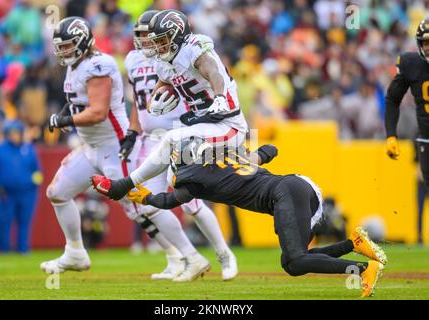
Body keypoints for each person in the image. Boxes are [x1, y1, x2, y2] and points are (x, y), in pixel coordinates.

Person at [92, 137, 387, 298]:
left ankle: (363, 270)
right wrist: (255, 154)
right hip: (296, 185)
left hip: (284, 193)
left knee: (296, 260)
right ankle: (353, 243)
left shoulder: (192, 176)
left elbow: (170, 200)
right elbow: (271, 150)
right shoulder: (228, 157)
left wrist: (143, 196)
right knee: (292, 263)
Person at [41, 16, 212, 282]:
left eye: (68, 45)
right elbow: (77, 101)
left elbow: (98, 111)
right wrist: (66, 112)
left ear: (83, 41)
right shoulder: (75, 66)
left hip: (115, 147)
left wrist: (63, 120)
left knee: (145, 207)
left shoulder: (98, 65)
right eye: (60, 46)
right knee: (58, 193)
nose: (63, 51)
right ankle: (75, 251)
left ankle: (190, 256)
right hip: (92, 147)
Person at [121, 10, 238, 281]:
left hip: (181, 130)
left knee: (189, 201)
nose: (147, 42)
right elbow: (141, 103)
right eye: (140, 36)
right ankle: (191, 257)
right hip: (152, 138)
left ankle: (223, 253)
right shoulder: (133, 60)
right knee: (148, 203)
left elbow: (201, 76)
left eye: (153, 37)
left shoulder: (177, 55)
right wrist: (133, 129)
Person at [98, 9, 249, 202]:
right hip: (202, 124)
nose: (159, 47)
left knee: (172, 139)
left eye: (163, 40)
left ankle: (126, 184)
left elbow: (212, 71)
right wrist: (155, 99)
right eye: (157, 42)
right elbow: (163, 82)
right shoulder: (162, 62)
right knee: (174, 178)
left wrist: (220, 96)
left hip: (228, 124)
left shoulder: (193, 50)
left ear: (178, 35)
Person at [0, 120, 42, 253]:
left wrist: (34, 184)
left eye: (16, 133)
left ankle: (23, 249)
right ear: (6, 135)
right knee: (4, 222)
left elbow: (37, 171)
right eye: (11, 133)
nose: (14, 136)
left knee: (24, 222)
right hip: (5, 193)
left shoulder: (29, 149)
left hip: (27, 193)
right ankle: (4, 249)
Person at [385, 18, 429, 184]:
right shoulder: (411, 64)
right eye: (426, 43)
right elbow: (392, 99)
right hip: (427, 139)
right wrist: (391, 135)